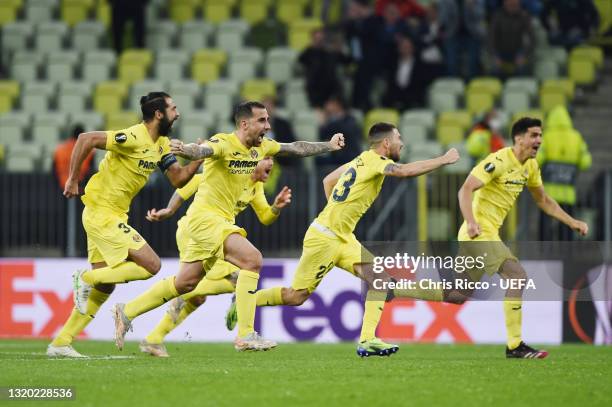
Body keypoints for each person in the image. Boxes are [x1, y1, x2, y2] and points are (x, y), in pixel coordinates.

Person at [111, 101, 345, 352]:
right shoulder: (223, 142)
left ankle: (128, 311)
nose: (267, 126)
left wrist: (328, 146)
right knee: (252, 260)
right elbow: (201, 151)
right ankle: (245, 334)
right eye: (262, 121)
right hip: (205, 219)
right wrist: (185, 150)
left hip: (215, 224)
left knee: (186, 284)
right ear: (245, 124)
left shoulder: (261, 149)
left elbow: (295, 148)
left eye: (267, 120)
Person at [226, 122, 459, 357]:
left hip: (342, 236)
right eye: (398, 137)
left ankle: (368, 339)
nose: (402, 142)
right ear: (386, 142)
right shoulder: (377, 162)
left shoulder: (360, 160)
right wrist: (442, 159)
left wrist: (336, 214)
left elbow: (328, 180)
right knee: (296, 297)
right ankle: (247, 300)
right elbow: (403, 172)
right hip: (325, 238)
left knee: (379, 278)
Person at [47, 92, 202, 358]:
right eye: (174, 108)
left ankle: (61, 342)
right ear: (159, 114)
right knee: (152, 265)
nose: (178, 113)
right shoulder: (133, 136)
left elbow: (178, 179)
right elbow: (87, 139)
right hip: (101, 213)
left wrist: (198, 158)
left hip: (111, 215)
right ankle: (84, 279)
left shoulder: (162, 144)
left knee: (105, 286)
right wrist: (72, 179)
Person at [449, 117, 588, 358]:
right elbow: (465, 189)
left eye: (540, 135)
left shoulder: (531, 167)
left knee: (457, 295)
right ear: (519, 138)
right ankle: (515, 345)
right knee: (517, 275)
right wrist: (471, 222)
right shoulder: (499, 160)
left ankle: (395, 289)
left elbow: (543, 201)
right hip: (479, 232)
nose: (539, 140)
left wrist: (572, 222)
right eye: (534, 135)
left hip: (483, 234)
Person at [139, 157, 291, 357]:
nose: (271, 162)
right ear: (253, 159)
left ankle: (154, 339)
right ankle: (235, 303)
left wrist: (276, 208)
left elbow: (265, 216)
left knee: (197, 295)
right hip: (197, 232)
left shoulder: (256, 186)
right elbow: (191, 183)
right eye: (267, 157)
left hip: (215, 233)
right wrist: (169, 209)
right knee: (235, 278)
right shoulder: (231, 173)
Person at [537, 106, 592, 241]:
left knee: (545, 228)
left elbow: (538, 159)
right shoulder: (576, 137)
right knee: (567, 227)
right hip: (569, 194)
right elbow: (586, 162)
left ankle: (544, 254)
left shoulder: (546, 136)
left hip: (548, 195)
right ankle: (565, 255)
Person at [382, 33, 429, 111]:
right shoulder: (392, 64)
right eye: (403, 46)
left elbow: (421, 86)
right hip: (394, 101)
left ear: (412, 48)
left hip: (413, 102)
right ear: (398, 48)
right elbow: (390, 84)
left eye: (407, 46)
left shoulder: (421, 66)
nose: (405, 48)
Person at [488, 0, 534, 79]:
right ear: (504, 3)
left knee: (523, 69)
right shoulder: (497, 16)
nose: (513, 6)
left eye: (515, 4)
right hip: (500, 52)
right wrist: (494, 55)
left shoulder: (524, 16)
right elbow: (490, 38)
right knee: (494, 70)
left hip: (518, 52)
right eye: (510, 4)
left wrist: (524, 55)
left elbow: (532, 39)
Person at [316, 95, 363, 167]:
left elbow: (350, 132)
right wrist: (322, 123)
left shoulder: (350, 119)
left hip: (350, 156)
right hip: (337, 156)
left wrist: (330, 122)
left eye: (329, 103)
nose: (326, 106)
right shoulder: (332, 121)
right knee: (319, 159)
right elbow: (322, 136)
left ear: (336, 104)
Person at [52, 124, 93, 191]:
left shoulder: (60, 149)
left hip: (62, 184)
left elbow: (54, 168)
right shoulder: (87, 150)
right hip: (80, 184)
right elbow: (90, 169)